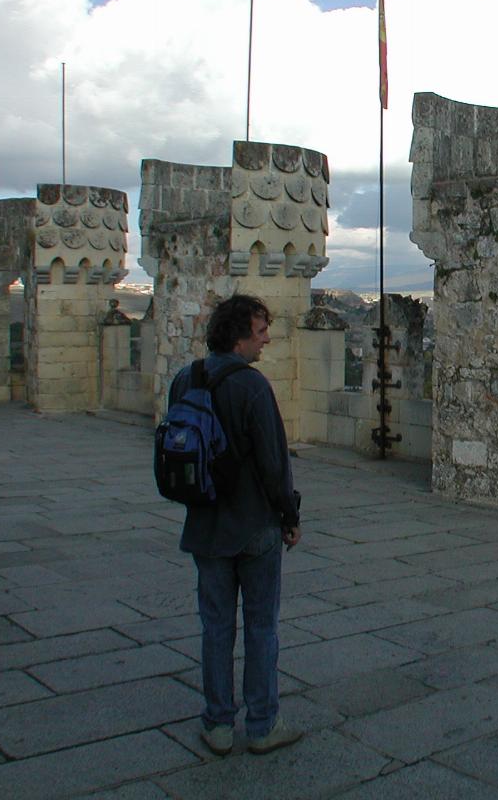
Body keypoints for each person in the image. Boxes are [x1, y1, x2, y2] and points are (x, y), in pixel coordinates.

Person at [169, 294, 302, 757]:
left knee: (216, 627)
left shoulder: (187, 378)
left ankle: (218, 724)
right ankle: (263, 724)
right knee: (262, 625)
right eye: (261, 331)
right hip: (254, 526)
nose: (266, 341)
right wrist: (290, 515)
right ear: (240, 335)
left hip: (205, 525)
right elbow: (273, 463)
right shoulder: (252, 386)